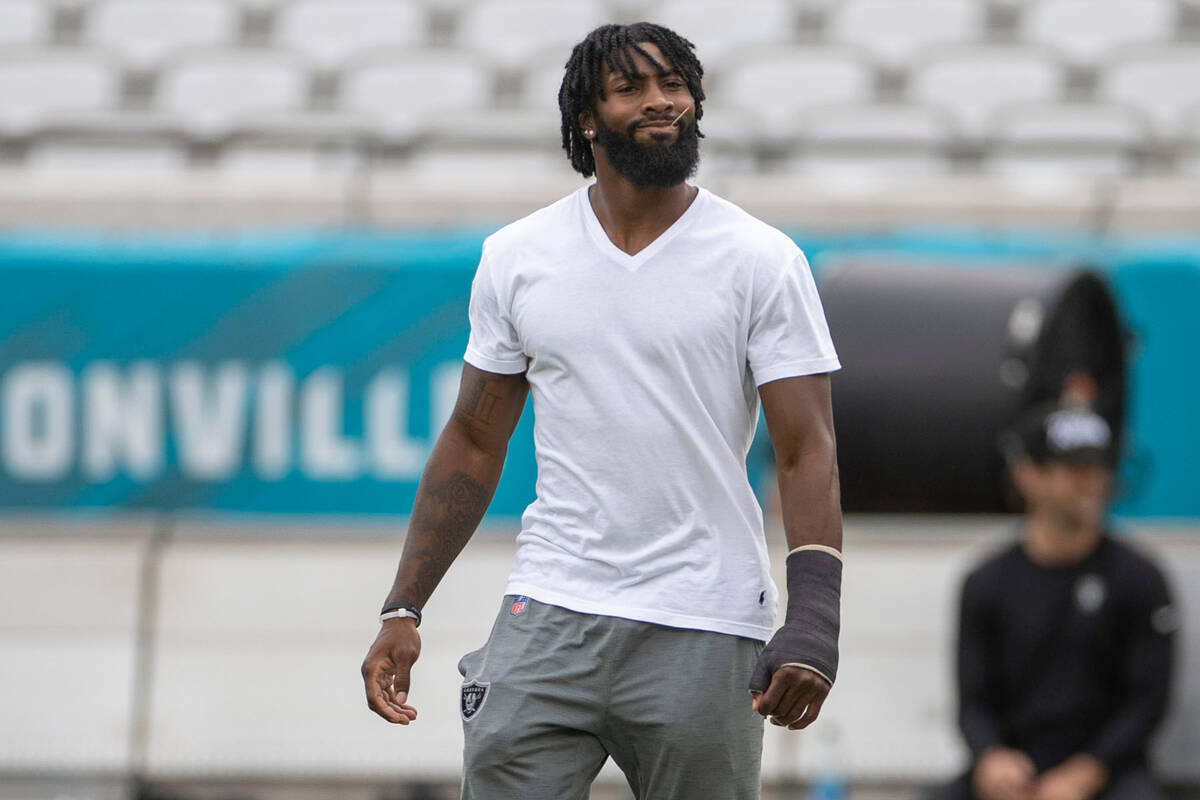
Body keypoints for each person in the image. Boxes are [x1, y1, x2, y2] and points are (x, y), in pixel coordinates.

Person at [361, 22, 845, 799]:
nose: (662, 103)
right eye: (632, 88)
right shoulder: (518, 256)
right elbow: (474, 440)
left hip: (707, 618)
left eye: (675, 85)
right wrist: (404, 605)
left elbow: (806, 448)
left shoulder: (762, 259)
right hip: (552, 605)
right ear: (587, 118)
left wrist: (815, 616)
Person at [930, 402, 1178, 800]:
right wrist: (992, 758)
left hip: (1109, 776)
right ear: (1029, 476)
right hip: (1015, 772)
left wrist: (1085, 774)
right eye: (1075, 469)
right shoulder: (985, 583)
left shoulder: (1140, 580)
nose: (1092, 482)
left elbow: (1146, 704)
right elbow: (972, 702)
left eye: (1098, 468)